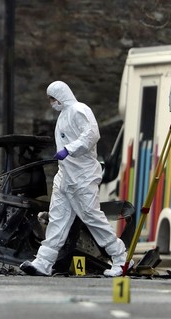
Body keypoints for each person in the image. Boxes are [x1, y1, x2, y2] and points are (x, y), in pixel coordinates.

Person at [20, 81, 133, 277]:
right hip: (66, 177)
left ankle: (121, 259)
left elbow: (92, 134)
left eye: (52, 98)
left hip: (82, 177)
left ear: (61, 96)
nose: (51, 103)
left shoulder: (79, 110)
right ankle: (44, 262)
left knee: (92, 218)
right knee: (57, 219)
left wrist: (69, 150)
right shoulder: (64, 115)